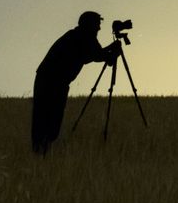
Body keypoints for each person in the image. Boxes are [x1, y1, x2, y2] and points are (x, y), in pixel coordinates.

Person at [31, 11, 119, 154]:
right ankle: (40, 153)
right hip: (51, 82)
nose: (99, 28)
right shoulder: (80, 37)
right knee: (47, 119)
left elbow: (97, 54)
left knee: (48, 120)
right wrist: (111, 52)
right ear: (89, 25)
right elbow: (96, 55)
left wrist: (110, 50)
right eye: (97, 25)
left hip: (53, 81)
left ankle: (41, 153)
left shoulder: (80, 35)